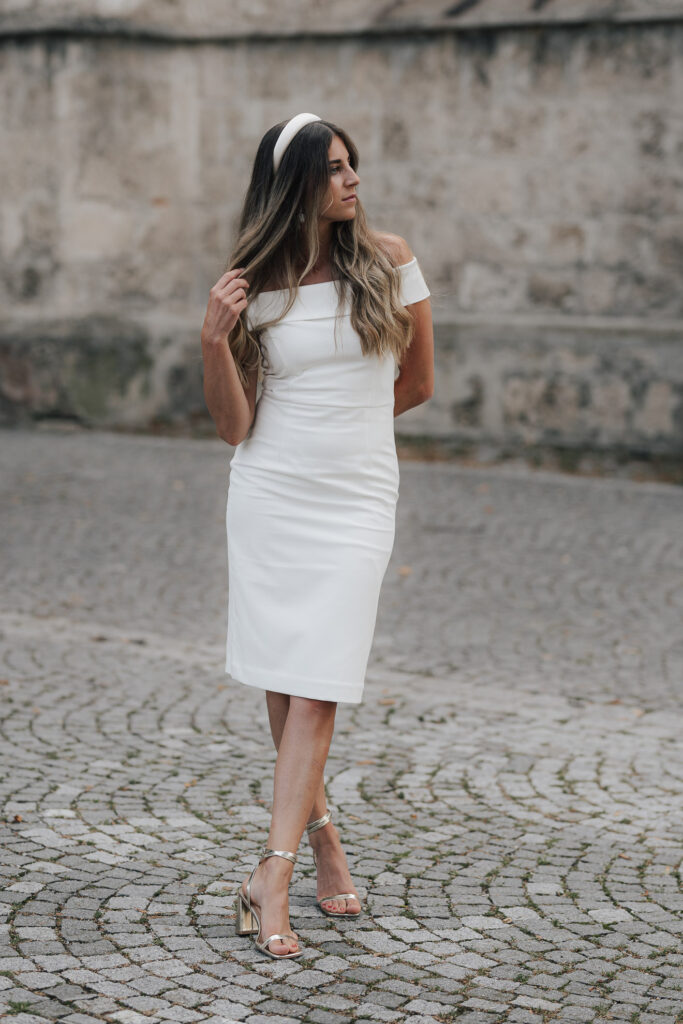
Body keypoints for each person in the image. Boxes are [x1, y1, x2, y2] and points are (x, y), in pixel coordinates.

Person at [200, 113, 434, 960]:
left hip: (357, 499)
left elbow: (418, 383)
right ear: (296, 183)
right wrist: (212, 342)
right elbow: (235, 426)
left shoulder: (391, 259)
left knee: (318, 680)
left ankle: (272, 868)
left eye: (352, 165)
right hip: (269, 494)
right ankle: (319, 843)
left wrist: (348, 435)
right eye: (334, 169)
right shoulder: (253, 281)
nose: (352, 180)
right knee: (290, 674)